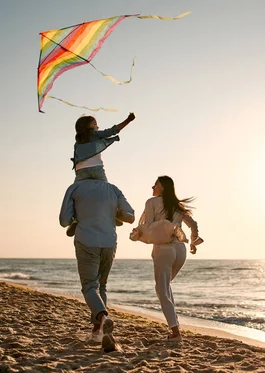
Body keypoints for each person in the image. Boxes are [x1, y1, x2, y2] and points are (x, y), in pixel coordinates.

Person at [59, 178, 135, 352]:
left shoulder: (75, 187)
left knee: (89, 286)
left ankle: (103, 318)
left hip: (87, 240)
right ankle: (98, 333)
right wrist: (110, 215)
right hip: (109, 242)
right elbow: (130, 216)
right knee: (102, 285)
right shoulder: (113, 189)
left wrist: (79, 217)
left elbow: (64, 220)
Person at [138, 176, 202, 341]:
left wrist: (140, 232)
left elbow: (149, 226)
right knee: (166, 288)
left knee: (161, 290)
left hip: (164, 249)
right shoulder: (177, 206)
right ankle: (176, 328)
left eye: (156, 184)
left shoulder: (151, 202)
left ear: (163, 187)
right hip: (181, 251)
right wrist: (193, 241)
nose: (152, 186)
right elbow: (193, 224)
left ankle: (175, 333)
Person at [66, 112, 136, 236]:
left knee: (75, 195)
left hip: (81, 172)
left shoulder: (77, 141)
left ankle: (76, 219)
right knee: (107, 192)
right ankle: (113, 214)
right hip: (97, 170)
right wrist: (128, 120)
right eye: (95, 124)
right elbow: (112, 131)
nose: (97, 127)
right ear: (88, 126)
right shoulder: (94, 134)